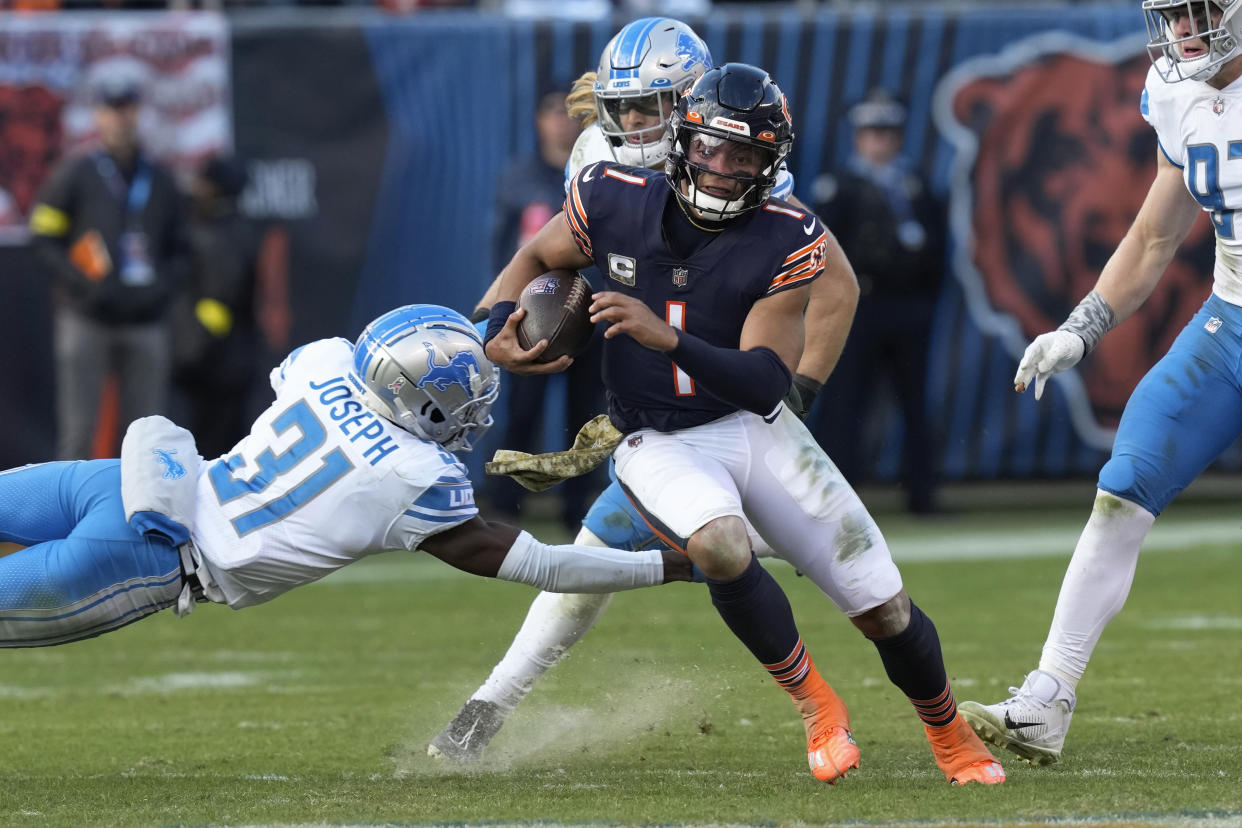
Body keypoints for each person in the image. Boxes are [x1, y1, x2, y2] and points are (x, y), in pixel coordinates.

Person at [468, 63, 1005, 786]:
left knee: (883, 607)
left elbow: (762, 382)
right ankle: (818, 707)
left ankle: (949, 737)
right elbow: (538, 254)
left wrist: (669, 339)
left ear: (770, 165)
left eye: (746, 157)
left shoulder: (787, 236)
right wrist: (502, 324)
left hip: (750, 425)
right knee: (718, 545)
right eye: (713, 151)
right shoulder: (612, 196)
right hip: (651, 437)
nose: (723, 171)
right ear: (683, 143)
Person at [430, 20, 837, 766]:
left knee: (845, 558)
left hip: (734, 395)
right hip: (658, 401)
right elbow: (548, 256)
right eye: (621, 109)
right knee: (599, 546)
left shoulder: (748, 176)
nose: (629, 128)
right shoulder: (598, 163)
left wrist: (798, 389)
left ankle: (906, 699)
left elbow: (834, 291)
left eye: (650, 108)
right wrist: (493, 328)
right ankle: (490, 705)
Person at [0, 304, 692, 652]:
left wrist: (482, 337)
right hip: (151, 554)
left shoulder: (327, 363)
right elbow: (547, 564)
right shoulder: (414, 476)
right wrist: (678, 568)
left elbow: (412, 355)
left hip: (122, 479)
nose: (474, 413)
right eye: (465, 400)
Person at [959, 0, 1242, 767]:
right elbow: (1154, 234)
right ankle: (1049, 696)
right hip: (1231, 326)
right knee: (1123, 488)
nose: (1186, 30)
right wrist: (1078, 330)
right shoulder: (1176, 91)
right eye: (1175, 15)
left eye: (1202, 11)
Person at [28, 72, 191, 461]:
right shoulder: (77, 172)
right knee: (78, 431)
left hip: (145, 320)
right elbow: (43, 235)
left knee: (146, 432)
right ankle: (68, 516)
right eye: (111, 110)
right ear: (98, 116)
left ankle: (143, 515)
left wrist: (161, 289)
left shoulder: (161, 178)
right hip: (87, 317)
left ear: (137, 113)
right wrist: (82, 282)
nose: (120, 118)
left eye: (126, 109)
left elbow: (183, 249)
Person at [811, 89, 947, 515]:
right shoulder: (839, 186)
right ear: (858, 136)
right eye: (872, 132)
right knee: (846, 402)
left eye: (888, 132)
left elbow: (940, 246)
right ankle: (840, 497)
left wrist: (925, 296)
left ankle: (922, 494)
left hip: (908, 307)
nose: (880, 141)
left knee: (914, 402)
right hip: (860, 308)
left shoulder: (915, 182)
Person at [480, 83, 607, 532]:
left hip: (588, 310)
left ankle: (579, 508)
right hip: (531, 314)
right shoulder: (520, 178)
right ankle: (503, 503)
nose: (561, 121)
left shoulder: (595, 176)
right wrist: (503, 305)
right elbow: (507, 251)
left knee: (587, 416)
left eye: (568, 112)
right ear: (538, 120)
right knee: (521, 413)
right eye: (551, 111)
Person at [171, 154, 266, 460]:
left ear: (216, 188)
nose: (195, 187)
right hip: (212, 364)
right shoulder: (212, 225)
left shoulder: (224, 234)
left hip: (217, 366)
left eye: (203, 182)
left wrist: (193, 348)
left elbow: (220, 301)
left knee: (216, 451)